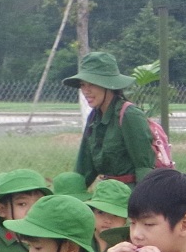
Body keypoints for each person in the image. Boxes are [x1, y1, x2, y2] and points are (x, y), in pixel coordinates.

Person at [67, 51, 158, 185]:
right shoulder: (94, 118)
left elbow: (144, 168)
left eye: (91, 84)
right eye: (82, 85)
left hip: (131, 194)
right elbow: (84, 169)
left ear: (107, 85)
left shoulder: (130, 115)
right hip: (106, 193)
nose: (86, 91)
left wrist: (142, 204)